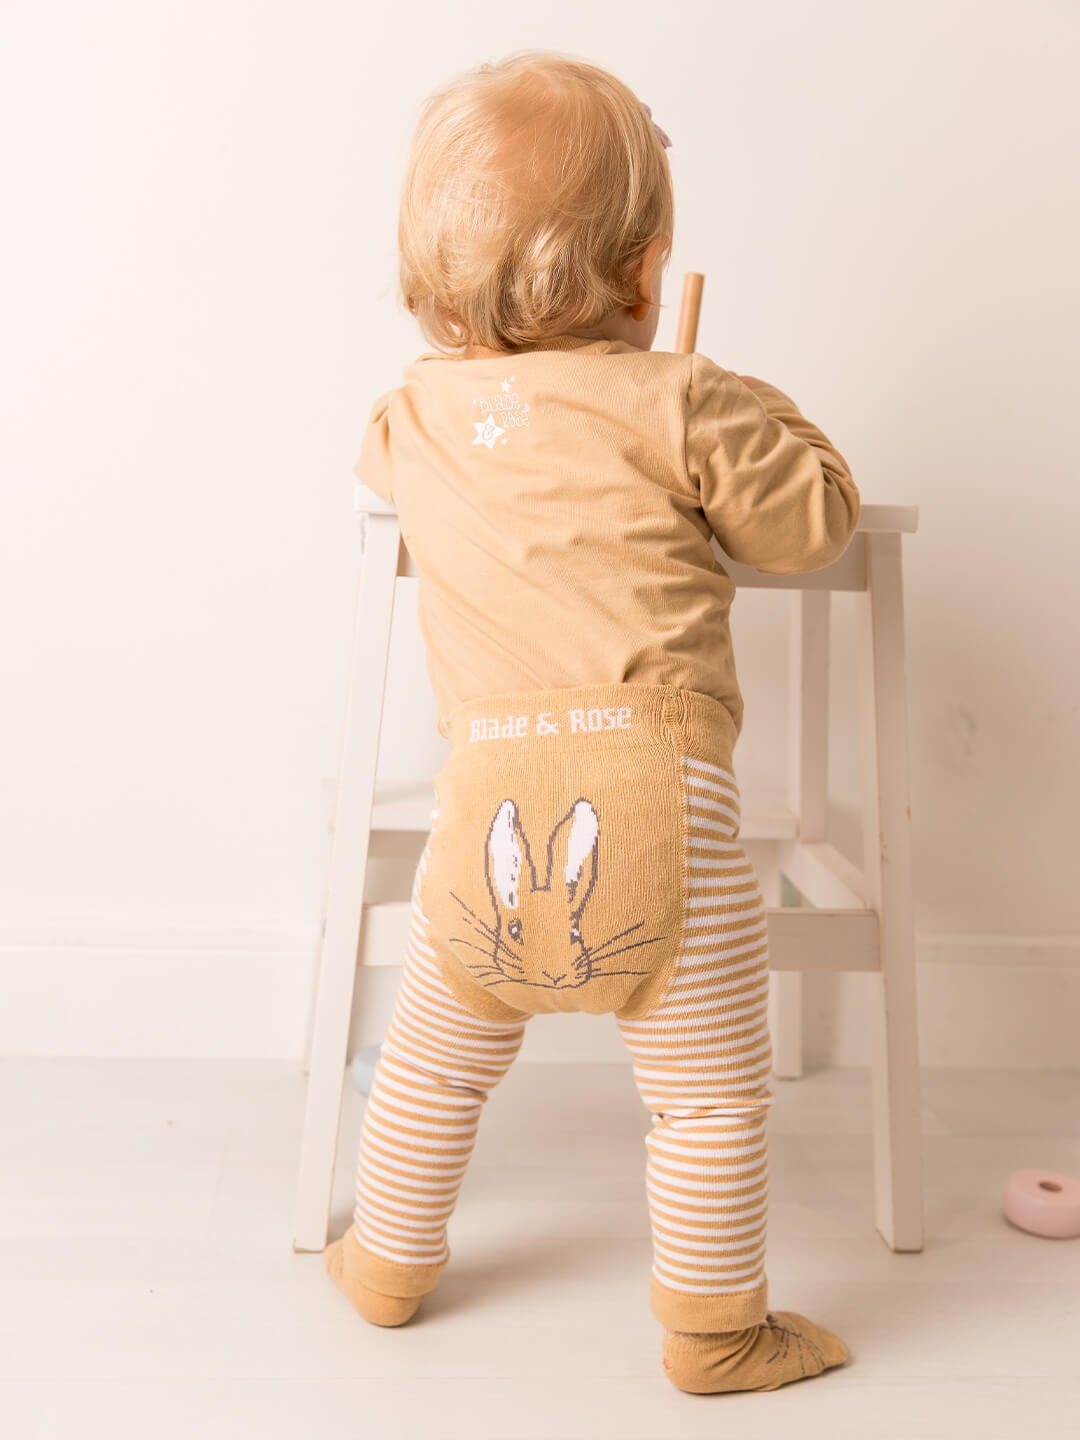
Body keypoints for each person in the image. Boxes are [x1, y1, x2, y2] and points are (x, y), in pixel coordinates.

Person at [324, 48, 858, 1395]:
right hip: (660, 801)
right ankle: (716, 1331)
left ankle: (384, 1262)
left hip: (482, 816)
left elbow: (380, 456)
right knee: (706, 1096)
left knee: (433, 1066)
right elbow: (812, 526)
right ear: (647, 270)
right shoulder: (684, 398)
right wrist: (752, 402)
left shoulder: (414, 414)